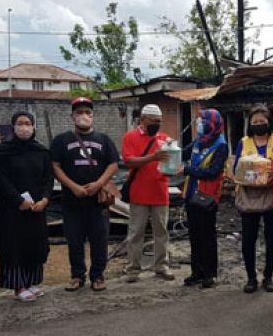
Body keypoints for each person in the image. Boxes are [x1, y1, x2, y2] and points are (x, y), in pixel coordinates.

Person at [51, 97, 119, 293]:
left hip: (98, 202)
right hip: (72, 201)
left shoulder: (104, 140)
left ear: (93, 116)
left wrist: (99, 184)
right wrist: (73, 186)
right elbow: (55, 166)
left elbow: (113, 164)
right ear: (72, 116)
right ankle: (76, 276)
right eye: (79, 112)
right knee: (74, 240)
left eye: (88, 112)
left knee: (100, 239)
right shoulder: (61, 140)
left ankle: (97, 276)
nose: (84, 116)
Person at [0, 112, 53, 302]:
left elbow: (48, 179)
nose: (24, 127)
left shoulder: (41, 151)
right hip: (13, 210)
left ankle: (31, 282)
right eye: (20, 123)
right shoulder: (3, 151)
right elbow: (0, 178)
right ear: (13, 126)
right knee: (15, 247)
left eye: (27, 123)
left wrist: (44, 199)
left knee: (35, 245)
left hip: (36, 209)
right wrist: (18, 200)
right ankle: (18, 286)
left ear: (34, 126)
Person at [233, 104, 273, 294]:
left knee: (272, 238)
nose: (258, 125)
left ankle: (269, 276)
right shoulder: (243, 142)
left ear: (269, 122)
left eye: (262, 122)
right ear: (250, 124)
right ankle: (251, 278)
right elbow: (234, 170)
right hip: (249, 196)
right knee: (248, 238)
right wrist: (248, 175)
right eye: (255, 122)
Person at [122, 104, 175, 283]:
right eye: (154, 121)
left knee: (161, 232)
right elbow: (129, 162)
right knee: (136, 232)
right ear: (143, 119)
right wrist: (152, 157)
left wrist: (173, 167)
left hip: (160, 192)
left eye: (159, 122)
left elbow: (171, 166)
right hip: (139, 193)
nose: (157, 125)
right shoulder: (130, 137)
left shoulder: (165, 139)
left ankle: (161, 265)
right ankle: (133, 268)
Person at [181, 109, 228, 289]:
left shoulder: (221, 145)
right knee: (194, 235)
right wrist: (169, 148)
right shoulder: (199, 141)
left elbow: (212, 172)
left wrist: (187, 170)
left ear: (213, 123)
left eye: (203, 120)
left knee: (207, 236)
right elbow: (183, 153)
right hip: (192, 194)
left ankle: (210, 274)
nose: (199, 123)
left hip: (208, 197)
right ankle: (196, 273)